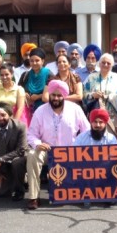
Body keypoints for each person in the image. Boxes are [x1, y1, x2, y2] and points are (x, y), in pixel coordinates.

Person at [26, 80, 90, 210]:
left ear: (64, 96)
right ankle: (34, 197)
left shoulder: (75, 109)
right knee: (32, 155)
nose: (56, 98)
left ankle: (85, 194)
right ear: (49, 95)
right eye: (53, 95)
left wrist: (78, 146)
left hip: (71, 151)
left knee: (87, 154)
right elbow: (31, 134)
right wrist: (38, 144)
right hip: (48, 150)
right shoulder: (40, 111)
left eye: (59, 95)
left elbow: (87, 131)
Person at [0, 102, 29, 201]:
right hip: (2, 166)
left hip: (18, 160)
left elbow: (21, 150)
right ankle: (15, 180)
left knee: (17, 162)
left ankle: (20, 188)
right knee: (2, 193)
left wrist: (1, 159)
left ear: (9, 115)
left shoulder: (20, 126)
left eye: (3, 115)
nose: (0, 118)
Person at [83, 53, 117, 136]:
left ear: (112, 65)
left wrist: (109, 96)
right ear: (99, 64)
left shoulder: (116, 77)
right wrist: (92, 95)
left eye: (108, 63)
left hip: (112, 115)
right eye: (103, 62)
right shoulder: (91, 77)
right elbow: (83, 93)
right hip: (95, 113)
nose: (105, 65)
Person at [20, 47, 51, 114]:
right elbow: (18, 89)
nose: (34, 63)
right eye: (31, 61)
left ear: (42, 61)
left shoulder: (49, 75)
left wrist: (38, 96)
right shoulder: (25, 75)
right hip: (28, 111)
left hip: (46, 110)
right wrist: (24, 93)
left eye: (37, 60)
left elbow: (54, 92)